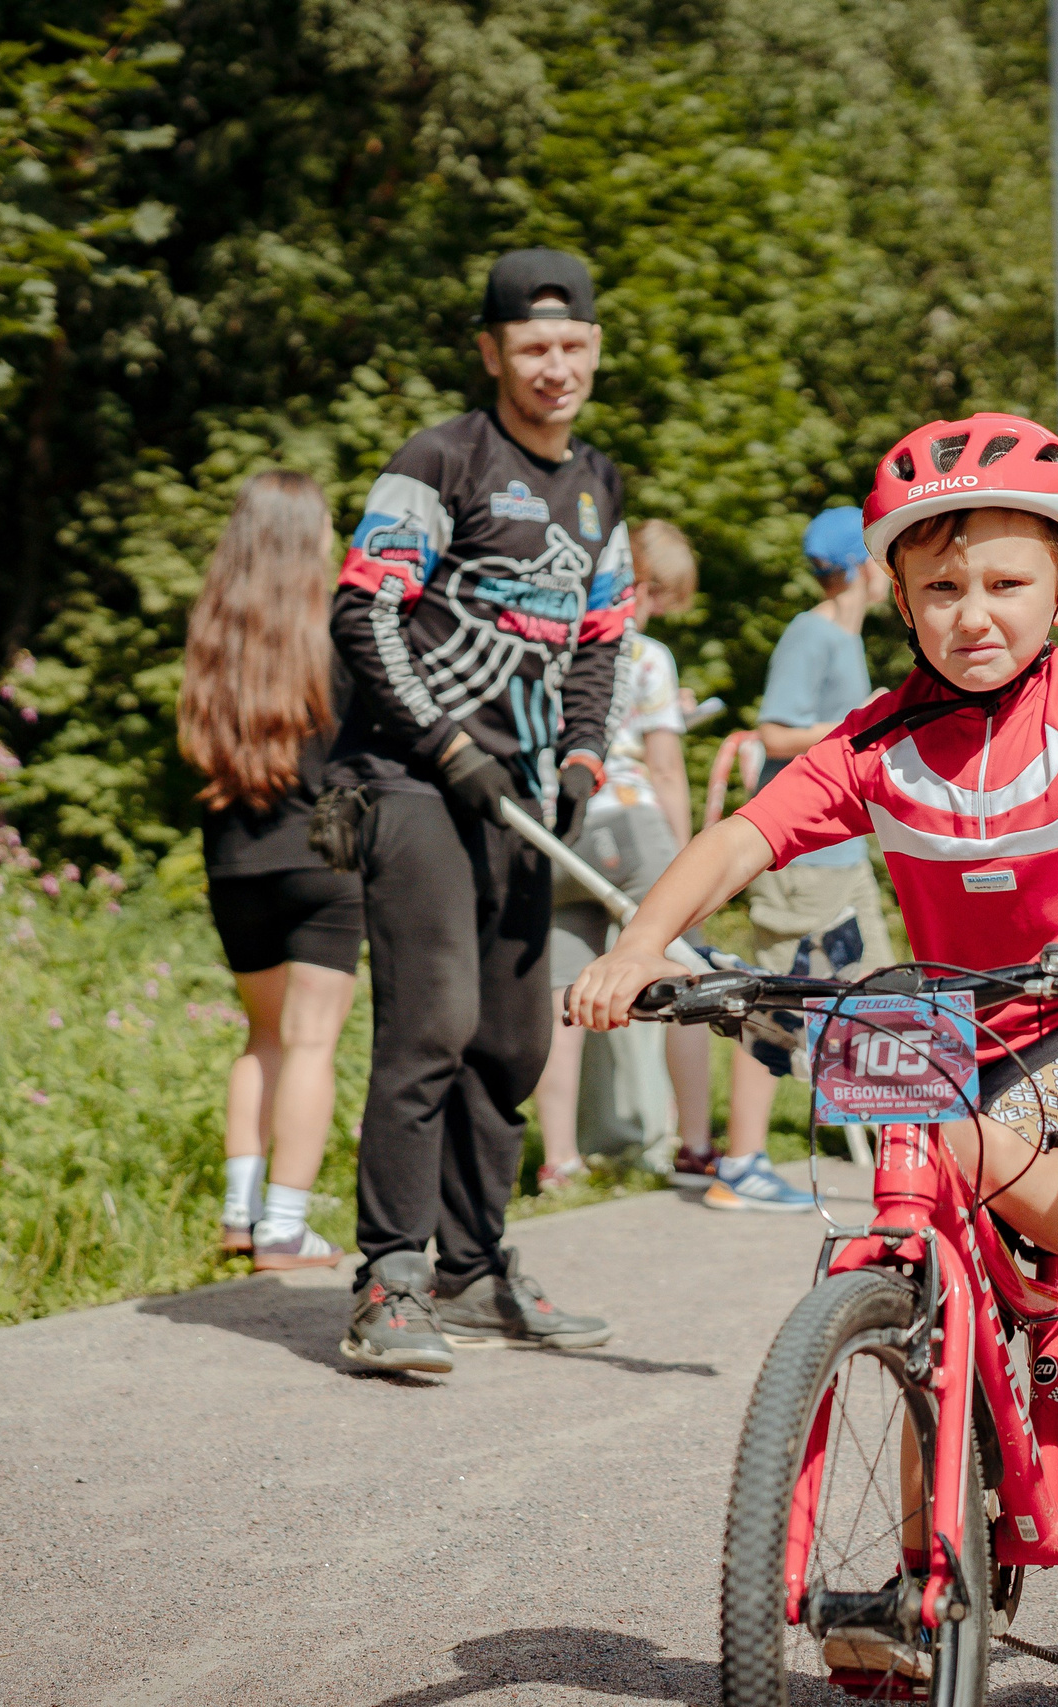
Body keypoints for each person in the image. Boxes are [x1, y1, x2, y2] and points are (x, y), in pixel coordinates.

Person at [570, 413, 1058, 1485]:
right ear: (900, 601)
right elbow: (739, 838)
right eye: (941, 591)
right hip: (942, 1024)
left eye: (1004, 585)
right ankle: (909, 1617)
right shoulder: (879, 739)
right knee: (933, 1304)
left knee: (973, 1144)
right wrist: (643, 947)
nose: (972, 615)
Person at [323, 249, 619, 1373]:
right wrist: (446, 746)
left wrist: (583, 762)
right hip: (411, 780)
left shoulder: (599, 486)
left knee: (512, 1040)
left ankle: (476, 1267)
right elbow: (364, 613)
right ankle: (388, 1280)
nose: (556, 367)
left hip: (523, 796)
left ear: (594, 348)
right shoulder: (440, 459)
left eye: (574, 345)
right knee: (433, 1023)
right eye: (533, 347)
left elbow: (601, 637)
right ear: (493, 352)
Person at [177, 470, 361, 1275]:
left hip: (234, 859)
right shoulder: (335, 632)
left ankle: (240, 1212)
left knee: (261, 1037)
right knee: (312, 1040)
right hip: (320, 858)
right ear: (305, 535)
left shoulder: (215, 633)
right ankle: (286, 1226)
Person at [698, 504, 898, 1213]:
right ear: (858, 568)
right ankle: (743, 1162)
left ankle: (901, 1161)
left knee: (874, 992)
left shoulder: (842, 636)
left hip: (837, 854)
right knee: (786, 1003)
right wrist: (861, 722)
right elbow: (776, 732)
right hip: (802, 860)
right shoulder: (812, 634)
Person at [534, 520, 714, 1189]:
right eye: (662, 595)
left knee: (561, 997)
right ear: (644, 584)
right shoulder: (646, 654)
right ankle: (695, 1144)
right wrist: (691, 859)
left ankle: (561, 1159)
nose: (662, 610)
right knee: (687, 979)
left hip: (557, 830)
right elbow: (665, 768)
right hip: (633, 824)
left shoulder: (553, 644)